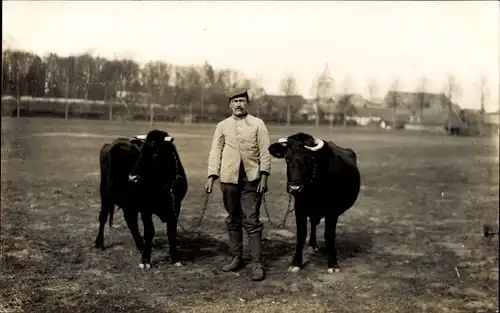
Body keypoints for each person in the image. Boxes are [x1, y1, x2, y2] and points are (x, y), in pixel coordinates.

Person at [205, 87, 271, 281]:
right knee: (233, 219)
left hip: (252, 179)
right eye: (235, 101)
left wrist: (264, 177)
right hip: (228, 179)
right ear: (230, 105)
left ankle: (257, 263)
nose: (238, 104)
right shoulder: (222, 126)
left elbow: (265, 152)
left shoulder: (258, 124)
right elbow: (215, 152)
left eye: (242, 101)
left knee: (251, 221)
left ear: (247, 103)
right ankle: (236, 257)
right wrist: (211, 176)